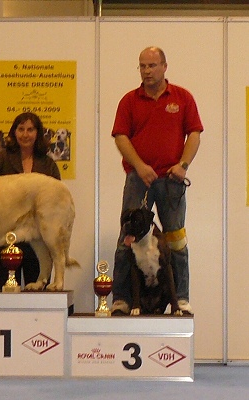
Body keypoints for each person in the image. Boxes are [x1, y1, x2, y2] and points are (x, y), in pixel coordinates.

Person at [110, 47, 203, 316]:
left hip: (171, 182)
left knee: (176, 241)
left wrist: (183, 165)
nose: (147, 71)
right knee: (125, 240)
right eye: (142, 66)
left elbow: (194, 133)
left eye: (152, 65)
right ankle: (122, 300)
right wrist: (139, 167)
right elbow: (120, 137)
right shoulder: (129, 100)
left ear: (164, 66)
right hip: (138, 181)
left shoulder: (182, 97)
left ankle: (181, 300)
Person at [0, 112, 60, 290]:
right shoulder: (1, 158)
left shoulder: (48, 165)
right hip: (2, 242)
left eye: (30, 129)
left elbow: (55, 202)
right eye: (21, 129)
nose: (25, 134)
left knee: (36, 300)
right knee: (3, 298)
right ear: (14, 132)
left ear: (38, 133)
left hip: (36, 244)